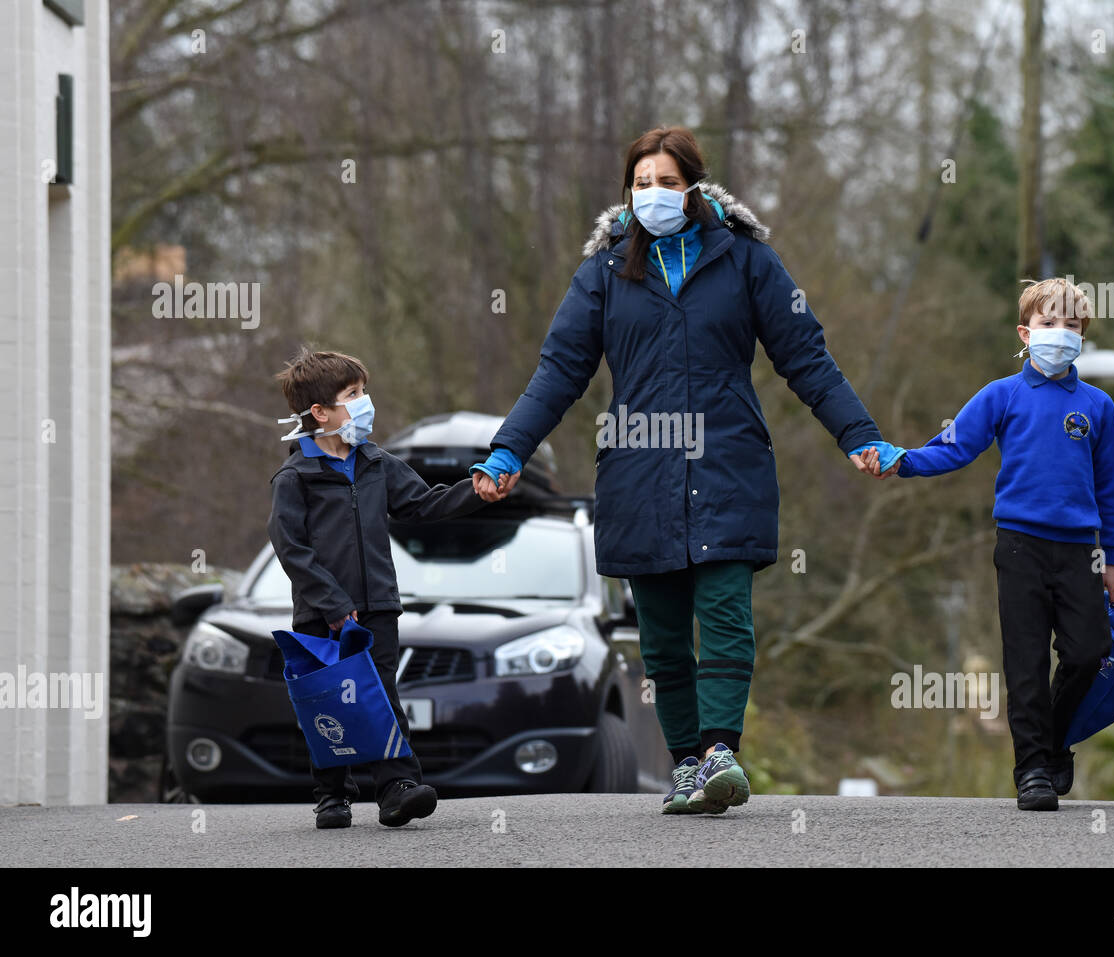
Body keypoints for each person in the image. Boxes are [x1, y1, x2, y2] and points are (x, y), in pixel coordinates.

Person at [469, 126, 896, 814]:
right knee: (664, 634)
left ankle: (722, 749)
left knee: (725, 608)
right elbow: (559, 372)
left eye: (668, 183)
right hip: (639, 467)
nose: (654, 195)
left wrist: (859, 435)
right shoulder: (603, 273)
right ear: (626, 193)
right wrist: (508, 450)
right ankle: (688, 764)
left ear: (695, 187)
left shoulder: (747, 261)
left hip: (728, 460)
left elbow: (806, 356)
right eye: (642, 184)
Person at [865, 278, 1114, 811]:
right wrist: (903, 460)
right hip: (1019, 547)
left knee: (1088, 653)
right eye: (1049, 324)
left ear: (1083, 336)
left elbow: (1113, 488)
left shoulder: (1098, 407)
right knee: (1025, 661)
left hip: (1081, 552)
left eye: (1072, 326)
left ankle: (1055, 741)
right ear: (1025, 333)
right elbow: (955, 447)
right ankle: (1031, 769)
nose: (1060, 334)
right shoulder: (1001, 396)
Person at [268, 347, 483, 829]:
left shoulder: (376, 463)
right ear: (319, 412)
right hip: (320, 614)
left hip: (378, 609)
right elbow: (292, 550)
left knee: (381, 694)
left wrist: (478, 489)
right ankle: (332, 795)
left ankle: (396, 788)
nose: (365, 402)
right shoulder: (293, 477)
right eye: (353, 395)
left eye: (363, 391)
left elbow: (425, 505)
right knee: (330, 699)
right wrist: (334, 605)